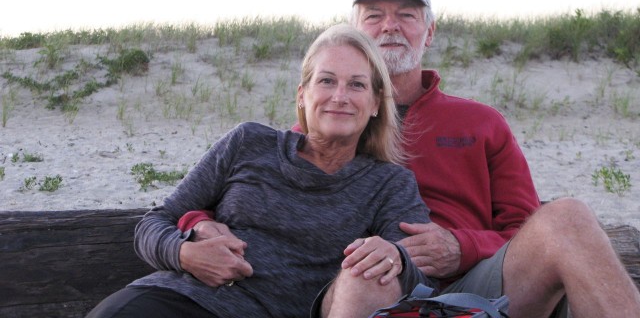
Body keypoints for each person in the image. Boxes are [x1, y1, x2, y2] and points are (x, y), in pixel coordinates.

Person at [186, 0, 640, 317]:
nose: (390, 27)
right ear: (354, 32)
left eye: (406, 15)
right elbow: (244, 199)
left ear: (430, 30)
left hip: (482, 288)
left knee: (568, 219)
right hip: (374, 288)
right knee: (368, 271)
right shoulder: (329, 120)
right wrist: (197, 225)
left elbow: (524, 228)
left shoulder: (482, 123)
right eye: (375, 16)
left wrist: (460, 247)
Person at [86, 24, 436, 318]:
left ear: (376, 103)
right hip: (183, 299)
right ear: (302, 95)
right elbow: (155, 221)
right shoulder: (249, 142)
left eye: (356, 85)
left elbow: (421, 278)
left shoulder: (390, 183)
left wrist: (398, 257)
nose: (340, 96)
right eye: (326, 81)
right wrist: (185, 253)